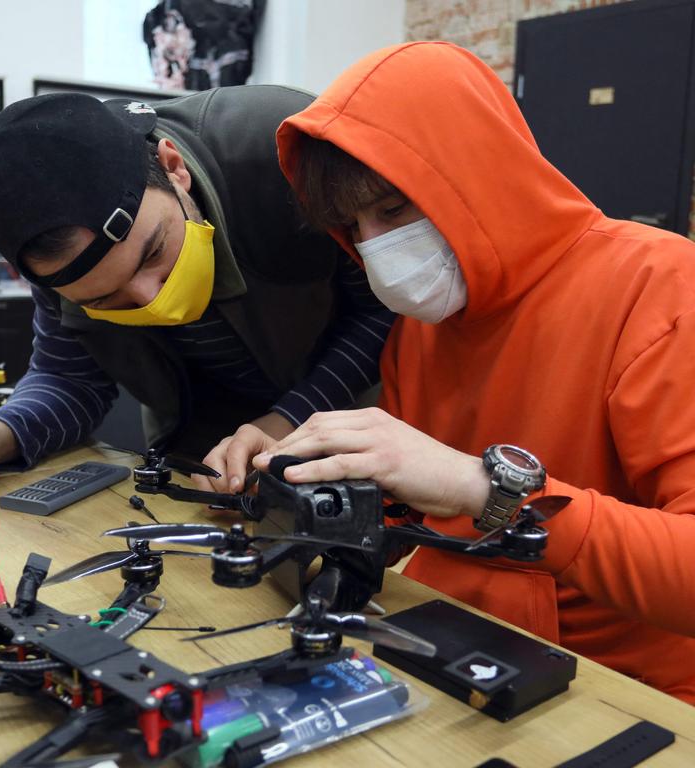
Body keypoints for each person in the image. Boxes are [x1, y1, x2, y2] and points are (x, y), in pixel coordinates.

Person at [252, 41, 695, 703]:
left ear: (476, 172)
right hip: (454, 645)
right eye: (351, 225)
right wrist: (321, 495)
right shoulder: (424, 325)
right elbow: (417, 516)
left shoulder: (659, 288)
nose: (374, 247)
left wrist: (481, 487)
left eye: (393, 210)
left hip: (618, 692)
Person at [0, 87, 393, 508]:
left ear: (174, 168)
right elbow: (69, 378)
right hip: (204, 451)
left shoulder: (280, 151)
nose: (153, 298)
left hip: (346, 411)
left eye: (152, 253)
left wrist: (287, 421)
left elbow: (381, 310)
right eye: (107, 298)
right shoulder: (52, 260)